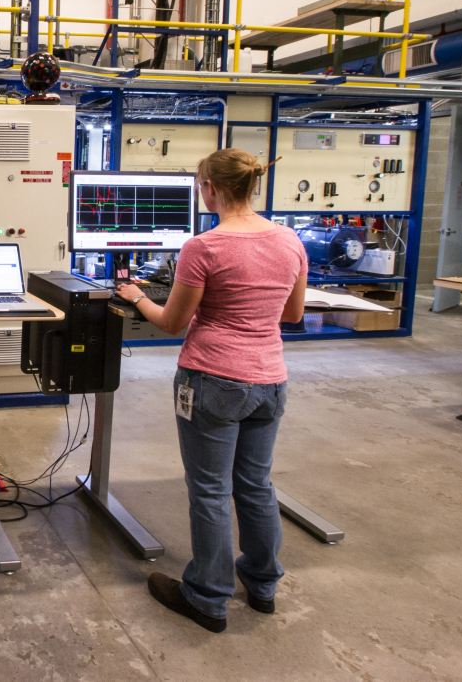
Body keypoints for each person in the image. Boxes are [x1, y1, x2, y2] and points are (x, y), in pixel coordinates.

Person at [115, 148, 307, 634]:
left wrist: (137, 297)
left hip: (214, 380)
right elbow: (293, 315)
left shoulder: (205, 247)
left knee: (210, 490)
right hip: (270, 381)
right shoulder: (290, 241)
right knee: (256, 485)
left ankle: (207, 596)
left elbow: (173, 323)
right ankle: (263, 585)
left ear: (212, 189)